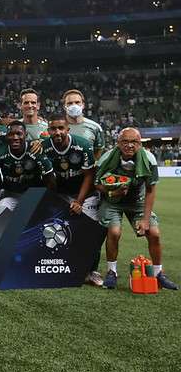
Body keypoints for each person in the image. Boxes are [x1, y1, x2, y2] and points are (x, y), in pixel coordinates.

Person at [95, 128, 177, 290]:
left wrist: (145, 220)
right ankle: (112, 272)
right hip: (113, 200)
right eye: (125, 142)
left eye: (134, 142)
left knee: (154, 233)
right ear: (118, 143)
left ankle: (158, 274)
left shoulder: (149, 159)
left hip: (137, 201)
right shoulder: (106, 158)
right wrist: (113, 191)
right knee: (114, 232)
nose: (130, 145)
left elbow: (151, 190)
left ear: (140, 143)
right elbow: (96, 184)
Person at [41, 113, 102, 286]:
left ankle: (92, 271)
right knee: (55, 230)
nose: (57, 132)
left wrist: (79, 202)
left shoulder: (82, 146)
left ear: (68, 129)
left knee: (91, 230)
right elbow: (46, 177)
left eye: (61, 128)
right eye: (53, 128)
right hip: (61, 194)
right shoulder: (44, 148)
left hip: (85, 194)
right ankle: (62, 267)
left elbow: (89, 175)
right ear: (48, 130)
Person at [0, 121, 56, 211]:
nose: (15, 138)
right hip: (10, 195)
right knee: (1, 210)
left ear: (26, 135)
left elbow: (50, 180)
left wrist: (45, 201)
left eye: (19, 134)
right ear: (6, 136)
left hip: (33, 194)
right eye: (11, 134)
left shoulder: (36, 150)